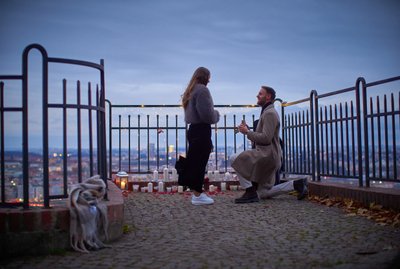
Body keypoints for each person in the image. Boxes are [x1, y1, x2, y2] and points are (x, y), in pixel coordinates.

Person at [231, 86, 307, 203]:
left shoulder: (269, 113)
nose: (257, 96)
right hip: (270, 155)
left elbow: (266, 138)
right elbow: (265, 136)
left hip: (268, 156)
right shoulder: (267, 112)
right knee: (263, 193)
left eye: (260, 94)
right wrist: (248, 131)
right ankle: (296, 184)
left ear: (268, 96)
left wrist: (247, 132)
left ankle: (250, 191)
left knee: (234, 158)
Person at [181, 67, 220, 205]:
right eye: (209, 77)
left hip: (193, 129)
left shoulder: (190, 90)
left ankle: (197, 193)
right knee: (200, 163)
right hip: (202, 129)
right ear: (206, 77)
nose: (210, 80)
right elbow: (207, 115)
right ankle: (197, 195)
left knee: (196, 161)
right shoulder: (202, 90)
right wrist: (217, 114)